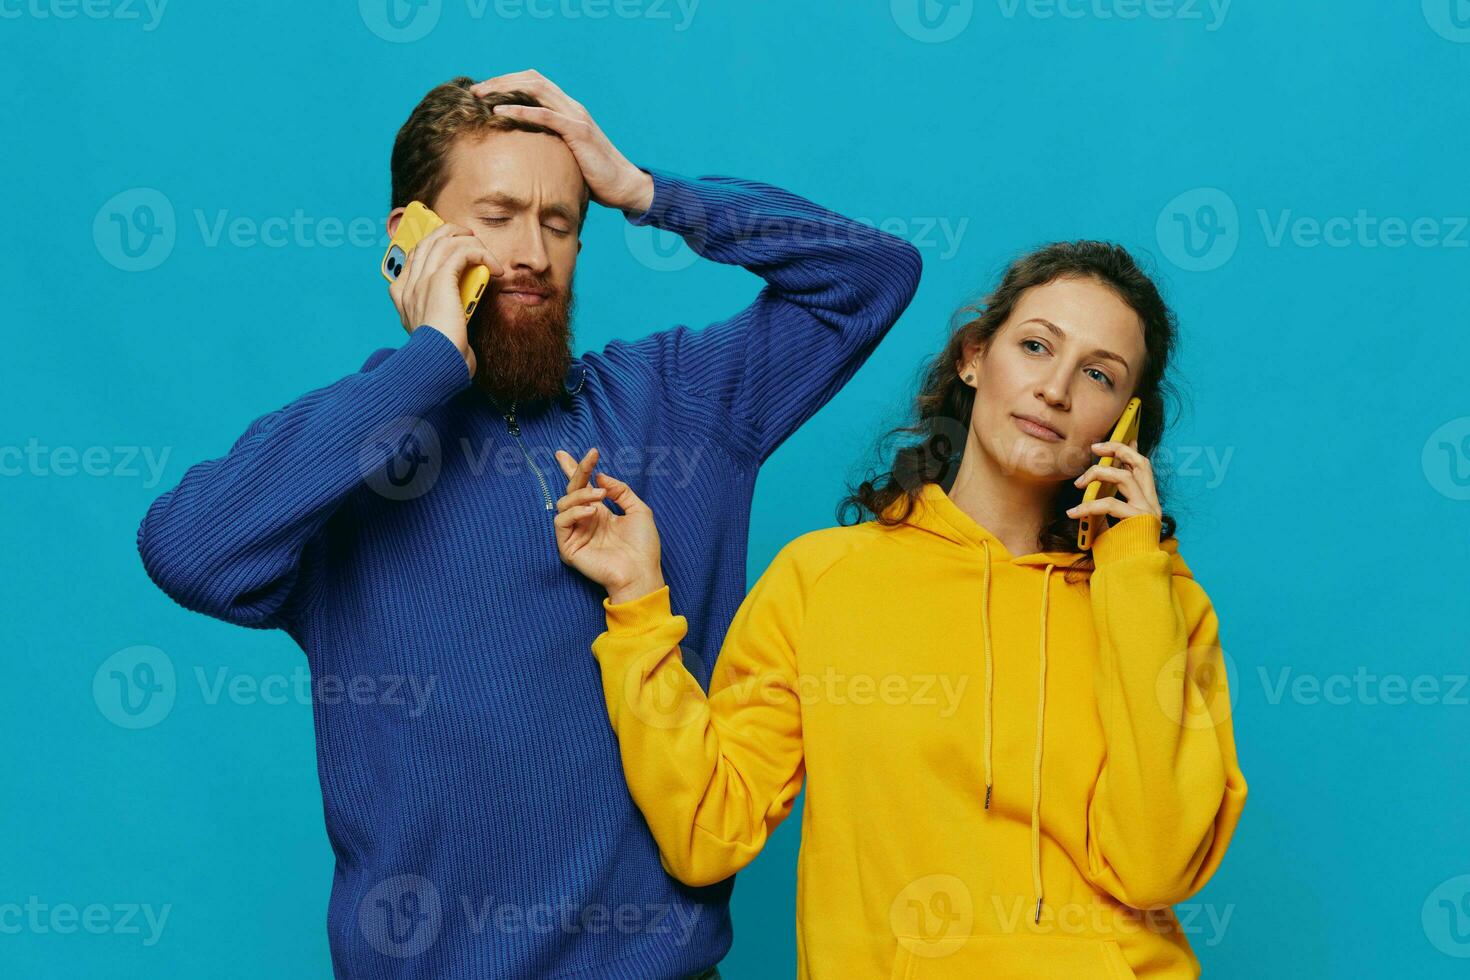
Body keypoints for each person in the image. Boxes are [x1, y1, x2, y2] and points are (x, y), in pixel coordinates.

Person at [135, 70, 921, 979]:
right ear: (411, 237)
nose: (533, 256)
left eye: (559, 223)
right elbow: (187, 550)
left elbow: (870, 275)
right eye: (497, 216)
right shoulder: (354, 453)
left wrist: (647, 192)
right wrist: (425, 363)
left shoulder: (678, 408)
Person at [554, 241, 1248, 978]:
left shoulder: (1161, 604)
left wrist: (1133, 569)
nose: (1055, 389)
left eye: (1099, 374)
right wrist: (636, 604)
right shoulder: (824, 579)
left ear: (1127, 423)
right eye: (1037, 345)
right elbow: (706, 830)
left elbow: (1155, 866)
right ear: (974, 357)